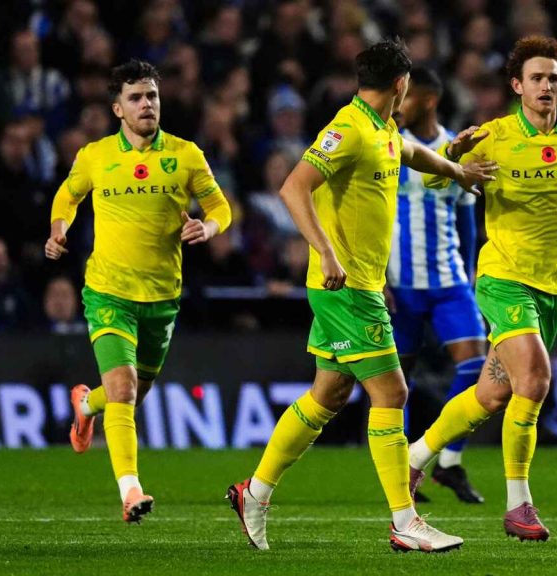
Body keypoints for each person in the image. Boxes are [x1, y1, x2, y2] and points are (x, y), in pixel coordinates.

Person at [225, 39, 496, 553]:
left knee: (327, 395)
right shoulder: (347, 129)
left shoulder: (384, 128)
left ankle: (253, 493)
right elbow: (293, 188)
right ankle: (405, 521)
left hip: (361, 284)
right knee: (392, 394)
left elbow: (411, 153)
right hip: (345, 287)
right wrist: (326, 252)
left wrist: (456, 170)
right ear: (402, 83)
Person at [405, 35, 557, 541]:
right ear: (517, 85)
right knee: (534, 380)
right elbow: (433, 182)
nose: (545, 86)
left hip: (555, 286)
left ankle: (415, 457)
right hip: (503, 277)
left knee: (492, 395)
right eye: (536, 78)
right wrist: (453, 155)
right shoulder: (492, 135)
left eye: (553, 78)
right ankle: (519, 506)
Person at [45, 59, 232, 524]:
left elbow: (220, 207)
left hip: (162, 299)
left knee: (131, 393)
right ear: (118, 109)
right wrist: (58, 229)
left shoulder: (186, 155)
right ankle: (131, 491)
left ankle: (85, 405)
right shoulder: (96, 155)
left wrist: (208, 228)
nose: (146, 104)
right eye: (135, 97)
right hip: (108, 292)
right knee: (124, 390)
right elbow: (68, 195)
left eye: (152, 95)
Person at [387, 67, 488, 504]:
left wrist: (470, 274)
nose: (398, 106)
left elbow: (467, 221)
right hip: (400, 284)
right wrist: (376, 278)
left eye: (406, 98)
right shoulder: (389, 147)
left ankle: (447, 458)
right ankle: (401, 473)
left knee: (477, 365)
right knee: (397, 383)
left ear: (428, 100)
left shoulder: (456, 150)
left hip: (449, 281)